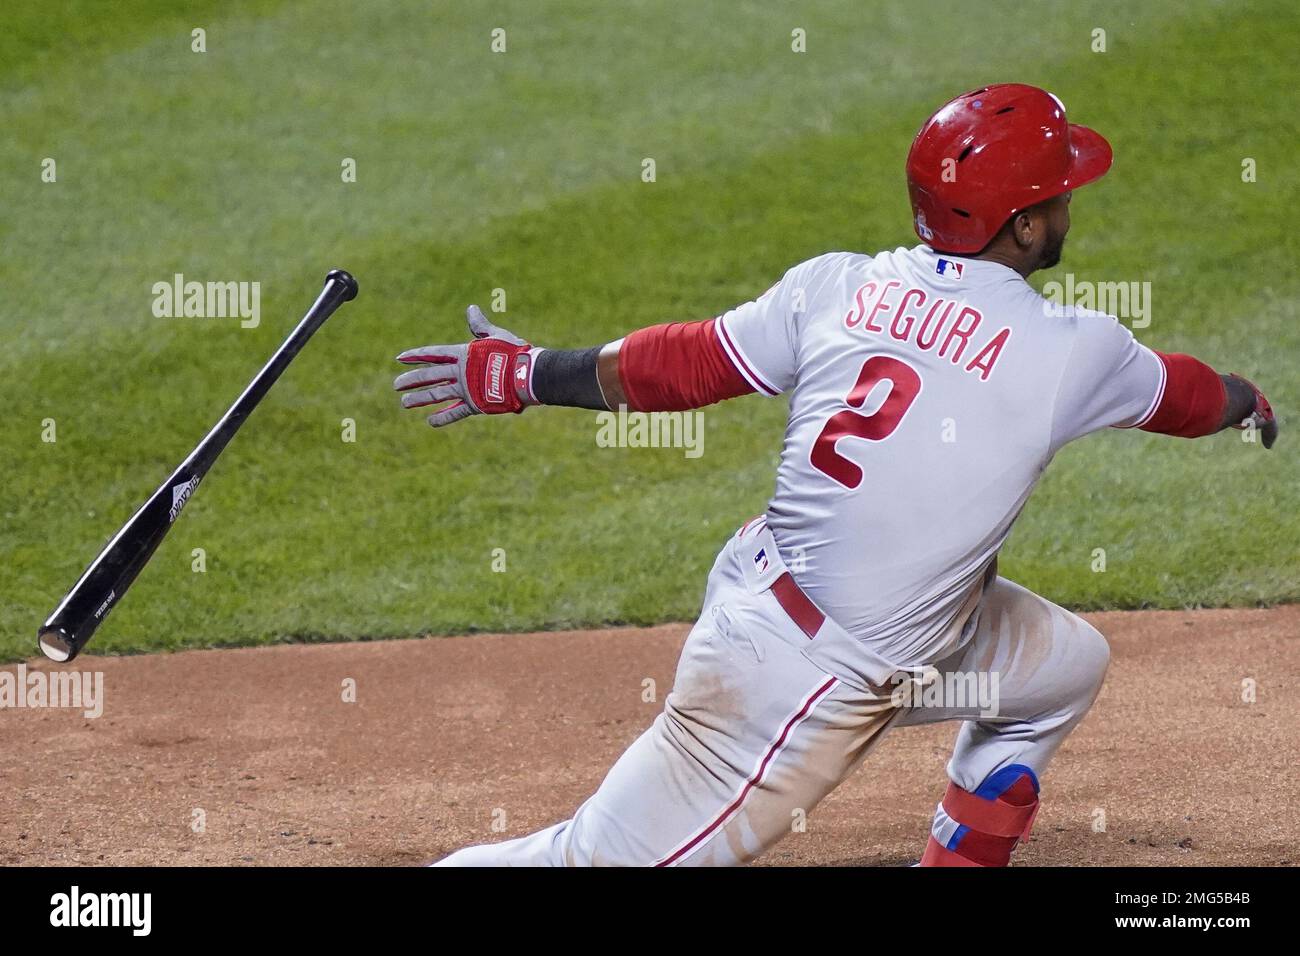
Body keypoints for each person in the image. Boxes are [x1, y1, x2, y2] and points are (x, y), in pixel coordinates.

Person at [394, 84, 1277, 867]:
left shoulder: (837, 286)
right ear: (1024, 225)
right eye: (1058, 195)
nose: (1068, 207)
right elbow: (1190, 398)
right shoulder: (1073, 351)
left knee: (1064, 669)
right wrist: (1249, 400)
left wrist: (526, 373)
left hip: (848, 614)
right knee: (595, 860)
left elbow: (684, 365)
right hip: (798, 672)